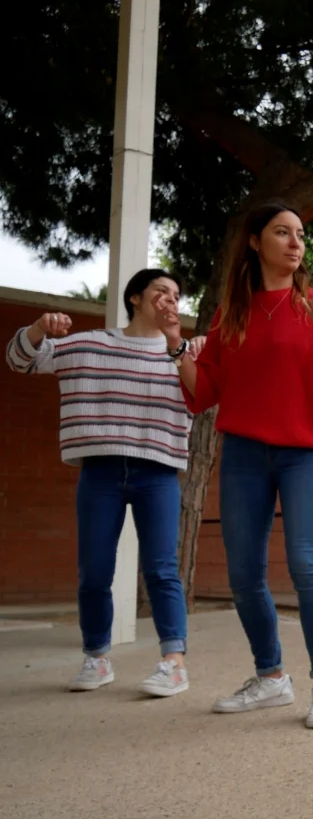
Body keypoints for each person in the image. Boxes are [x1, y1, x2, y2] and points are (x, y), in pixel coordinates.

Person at [172, 201, 313, 730]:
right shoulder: (231, 313)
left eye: (300, 233)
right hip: (244, 455)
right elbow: (205, 390)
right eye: (282, 232)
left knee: (306, 562)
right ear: (255, 242)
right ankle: (270, 676)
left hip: (309, 451)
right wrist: (175, 350)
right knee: (242, 574)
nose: (296, 242)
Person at [6, 270, 197, 696]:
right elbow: (20, 360)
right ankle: (96, 658)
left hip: (159, 470)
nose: (170, 300)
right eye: (160, 292)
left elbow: (206, 394)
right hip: (100, 470)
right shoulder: (92, 344)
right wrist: (39, 328)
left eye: (176, 295)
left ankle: (174, 663)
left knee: (162, 569)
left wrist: (176, 344)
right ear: (134, 298)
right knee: (93, 570)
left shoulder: (184, 351)